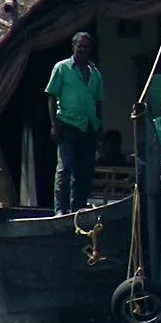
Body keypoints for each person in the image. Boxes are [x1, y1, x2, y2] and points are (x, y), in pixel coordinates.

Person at [46, 32, 104, 214]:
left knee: (84, 172)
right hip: (67, 124)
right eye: (80, 46)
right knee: (65, 167)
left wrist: (99, 126)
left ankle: (77, 209)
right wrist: (54, 124)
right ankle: (60, 209)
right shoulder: (62, 68)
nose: (83, 50)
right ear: (73, 47)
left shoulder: (95, 73)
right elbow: (51, 96)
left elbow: (98, 102)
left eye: (86, 47)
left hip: (89, 127)